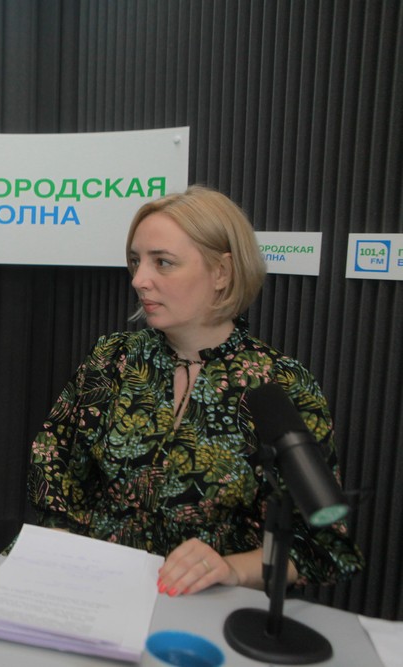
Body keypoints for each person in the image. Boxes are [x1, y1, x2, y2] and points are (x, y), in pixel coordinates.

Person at [25, 185, 362, 597]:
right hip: (93, 588)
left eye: (163, 262)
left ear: (222, 272)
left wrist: (231, 569)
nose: (139, 280)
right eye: (136, 261)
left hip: (203, 604)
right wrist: (60, 555)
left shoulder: (279, 383)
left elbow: (322, 546)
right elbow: (53, 465)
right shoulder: (113, 358)